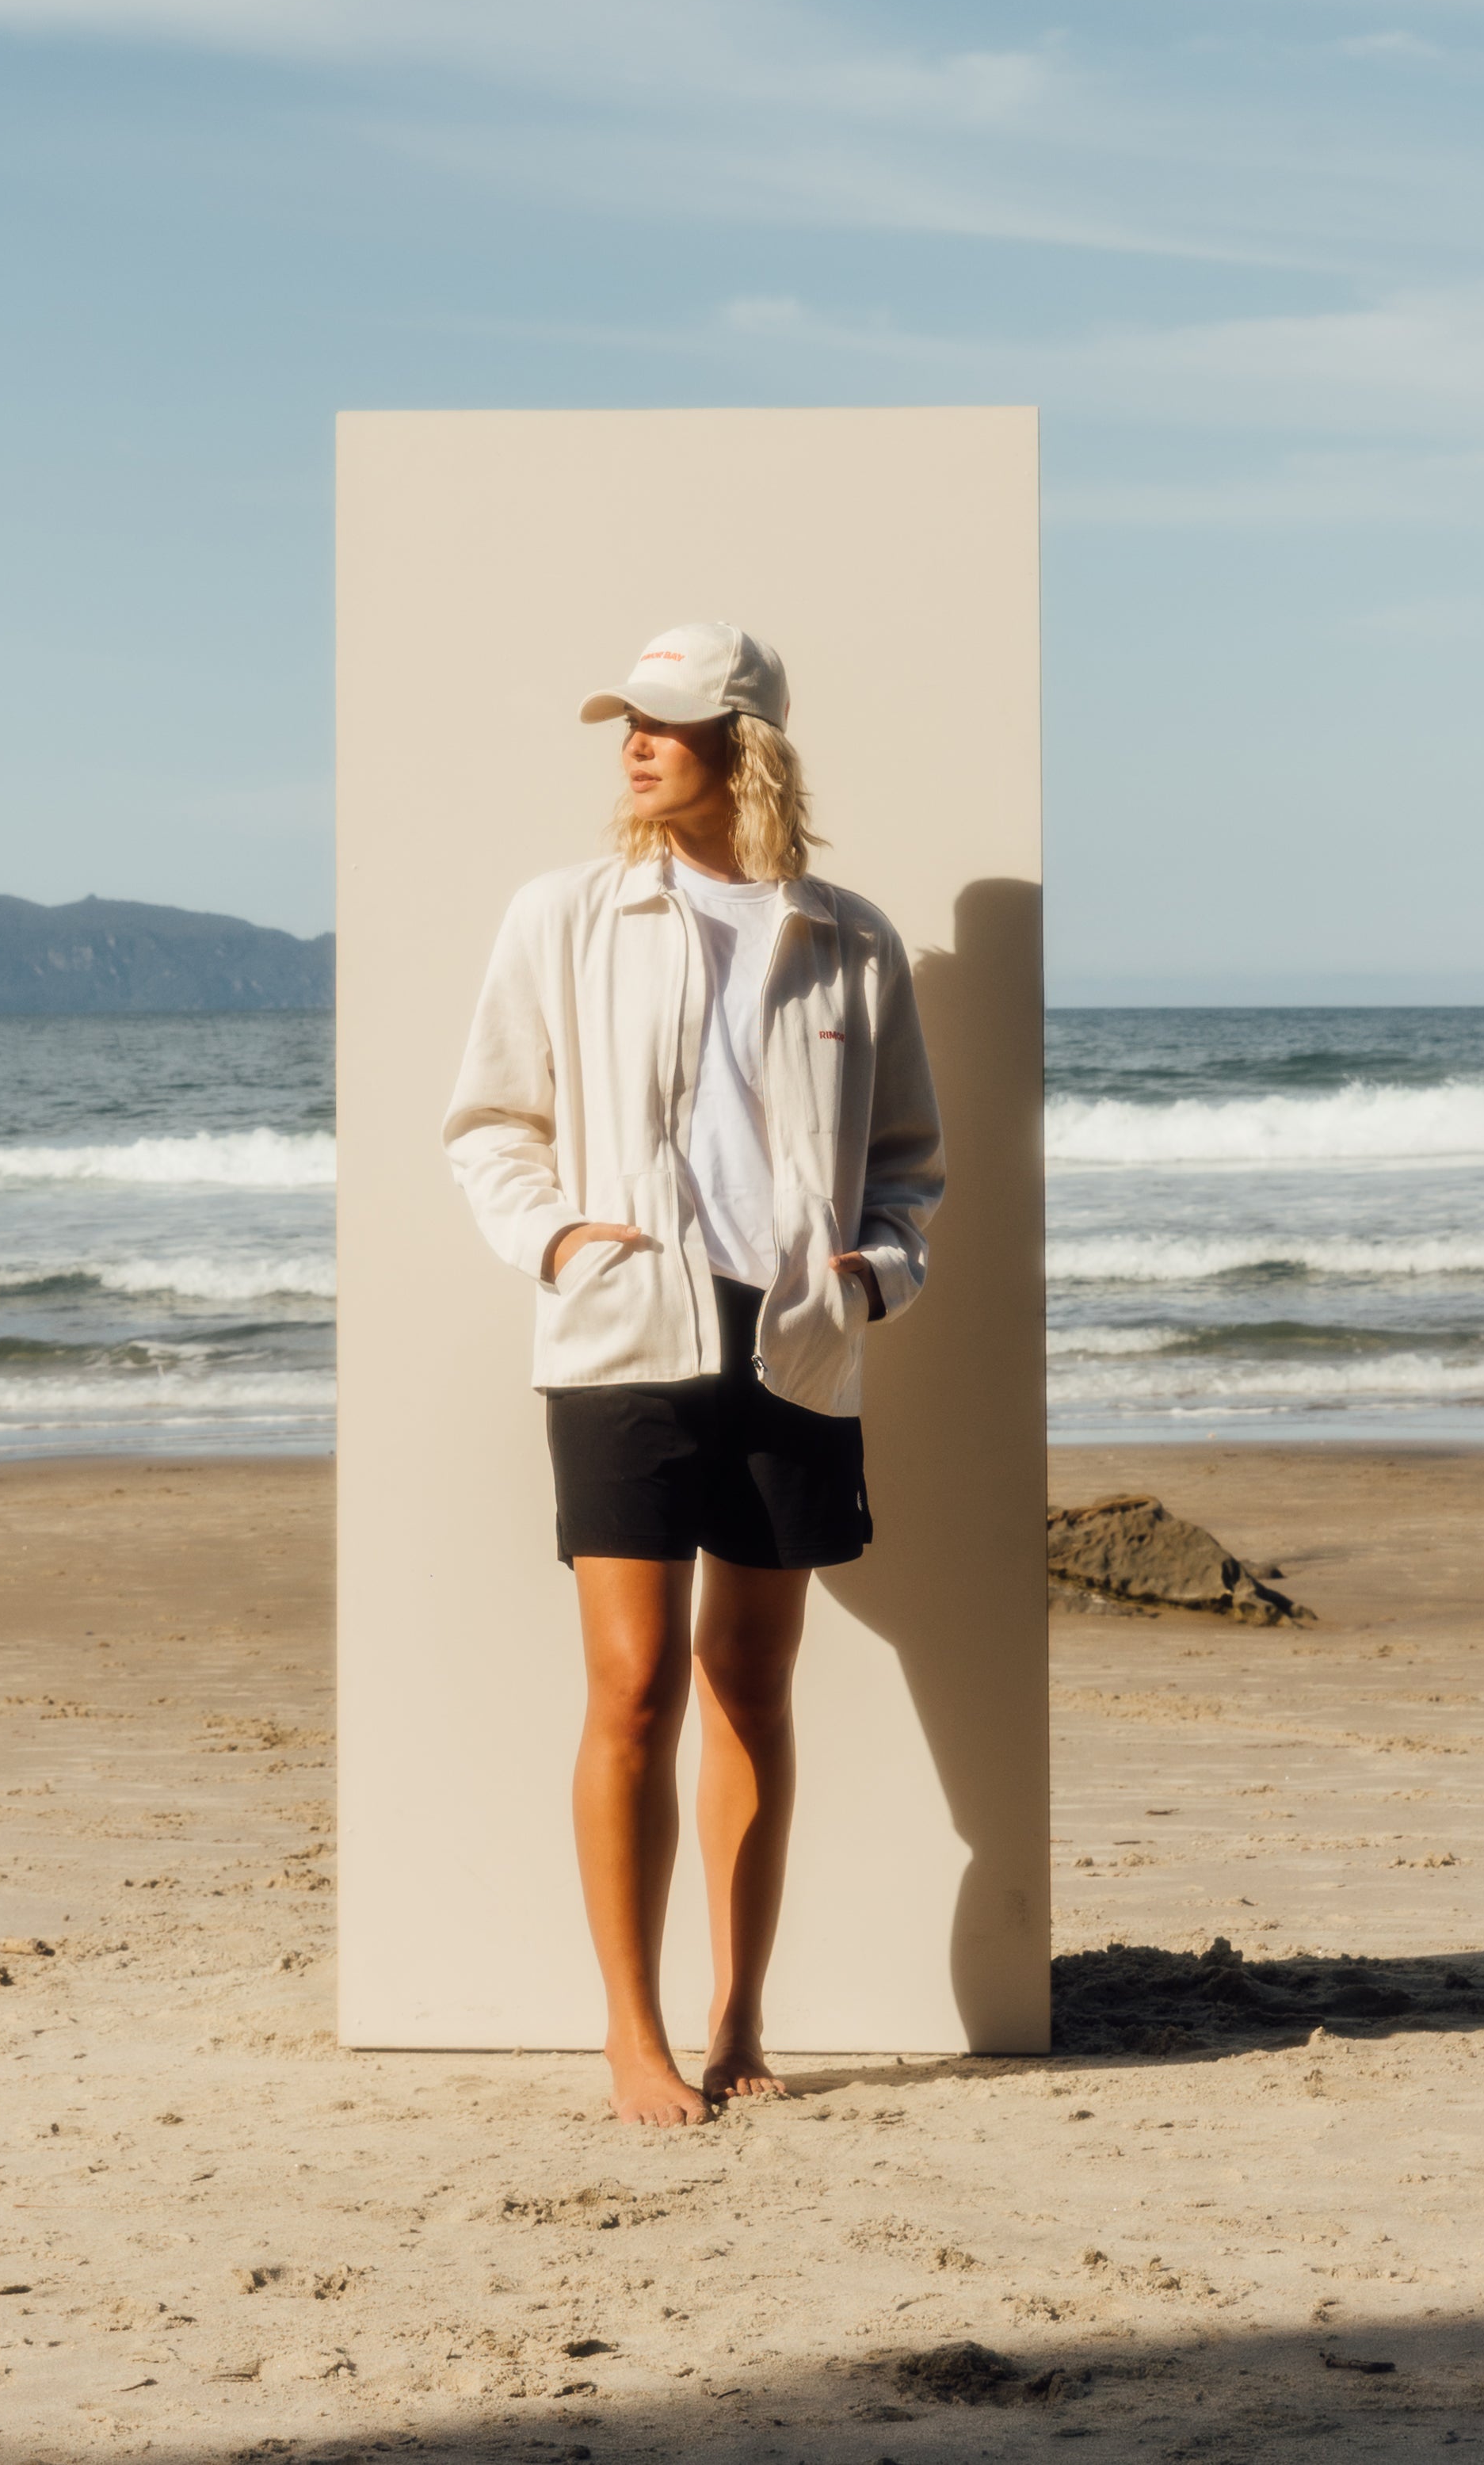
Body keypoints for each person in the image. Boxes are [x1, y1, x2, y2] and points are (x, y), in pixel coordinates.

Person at [444, 620, 944, 2127]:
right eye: (626, 722)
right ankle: (628, 2031)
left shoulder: (849, 937)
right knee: (634, 1681)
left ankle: (737, 2019)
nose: (633, 743)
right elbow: (489, 1123)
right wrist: (556, 1244)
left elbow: (910, 1162)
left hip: (791, 1339)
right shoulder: (566, 914)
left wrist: (870, 1275)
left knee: (751, 1686)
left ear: (747, 742)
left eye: (664, 720)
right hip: (621, 1339)